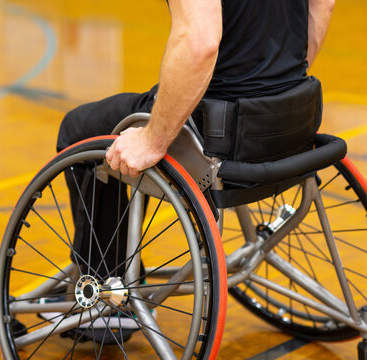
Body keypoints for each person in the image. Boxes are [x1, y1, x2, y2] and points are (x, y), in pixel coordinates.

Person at [56, 0, 335, 279]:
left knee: (79, 130)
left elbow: (200, 43)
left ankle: (108, 285)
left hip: (222, 127)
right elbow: (324, 4)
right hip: (294, 117)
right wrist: (278, 90)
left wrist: (152, 140)